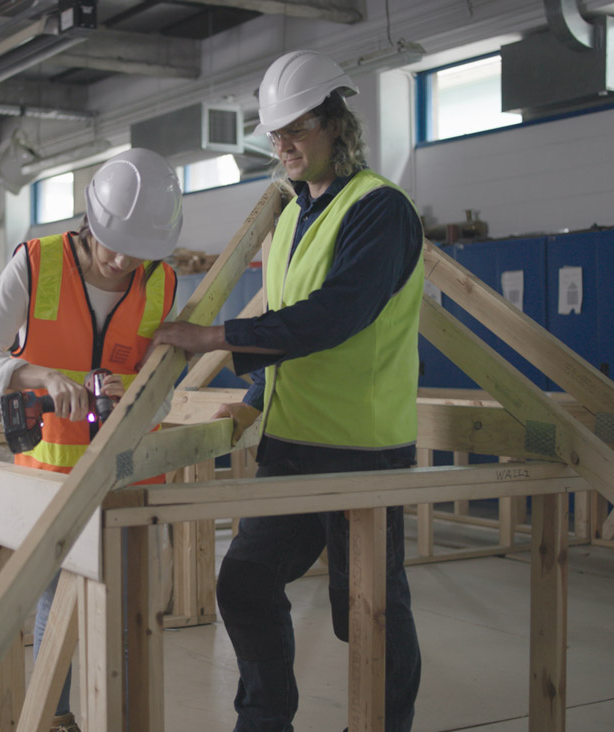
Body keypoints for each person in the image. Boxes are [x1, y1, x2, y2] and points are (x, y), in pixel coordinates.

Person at [147, 49, 424, 731]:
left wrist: (215, 338)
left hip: (362, 452)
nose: (285, 145)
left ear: (335, 123)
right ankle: (265, 722)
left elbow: (336, 315)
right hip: (292, 445)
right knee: (243, 582)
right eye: (275, 134)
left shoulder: (379, 209)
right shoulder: (294, 216)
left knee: (369, 613)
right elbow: (289, 322)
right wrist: (254, 397)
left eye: (297, 128)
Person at [0, 148, 182, 732]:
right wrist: (39, 375)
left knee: (136, 610)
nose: (121, 260)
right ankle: (54, 720)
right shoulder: (36, 265)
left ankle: (129, 715)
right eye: (112, 242)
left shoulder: (161, 280)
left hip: (130, 474)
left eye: (138, 251)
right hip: (52, 478)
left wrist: (127, 391)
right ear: (91, 220)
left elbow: (162, 383)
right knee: (56, 606)